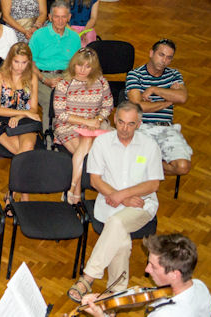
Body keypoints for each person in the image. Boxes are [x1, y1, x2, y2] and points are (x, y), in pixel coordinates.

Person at [67, 101, 163, 301]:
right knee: (121, 240)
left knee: (117, 223)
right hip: (109, 203)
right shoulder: (102, 143)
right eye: (120, 122)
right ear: (114, 119)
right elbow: (95, 180)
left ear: (139, 124)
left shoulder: (150, 146)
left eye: (130, 124)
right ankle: (115, 294)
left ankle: (88, 277)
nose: (124, 128)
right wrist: (121, 198)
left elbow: (153, 184)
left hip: (141, 205)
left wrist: (122, 195)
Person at [80, 233, 211, 316]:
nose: (147, 269)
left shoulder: (166, 314)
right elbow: (144, 296)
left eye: (153, 266)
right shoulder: (199, 286)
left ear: (174, 274)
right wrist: (106, 299)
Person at [53, 47, 114, 204]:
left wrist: (98, 119)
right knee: (86, 150)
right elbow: (60, 114)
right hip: (68, 126)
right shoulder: (64, 84)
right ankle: (77, 190)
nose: (83, 70)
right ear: (73, 64)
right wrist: (87, 122)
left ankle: (73, 188)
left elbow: (108, 105)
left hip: (96, 125)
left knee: (87, 147)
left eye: (88, 67)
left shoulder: (101, 82)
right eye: (80, 65)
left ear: (93, 68)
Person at [126, 39, 192, 177]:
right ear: (151, 53)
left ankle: (148, 167)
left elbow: (182, 98)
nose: (164, 61)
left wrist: (154, 89)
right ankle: (147, 172)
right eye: (161, 55)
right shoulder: (135, 74)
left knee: (182, 167)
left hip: (167, 129)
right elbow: (138, 106)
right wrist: (167, 101)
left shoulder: (174, 75)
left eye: (169, 57)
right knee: (137, 162)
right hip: (142, 127)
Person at [29, 0, 81, 132]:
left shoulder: (74, 37)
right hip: (41, 75)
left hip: (66, 76)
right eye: (57, 17)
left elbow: (77, 64)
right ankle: (49, 138)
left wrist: (68, 80)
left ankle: (70, 134)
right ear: (50, 17)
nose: (60, 21)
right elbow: (30, 62)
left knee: (76, 101)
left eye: (64, 17)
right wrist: (44, 80)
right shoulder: (39, 35)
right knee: (51, 103)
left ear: (69, 17)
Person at [0, 42, 41, 160]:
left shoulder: (32, 78)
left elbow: (33, 109)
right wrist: (24, 112)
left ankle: (20, 172)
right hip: (1, 120)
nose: (20, 67)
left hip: (24, 119)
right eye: (16, 62)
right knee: (24, 153)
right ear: (10, 60)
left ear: (29, 62)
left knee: (27, 147)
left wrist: (19, 116)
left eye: (24, 62)